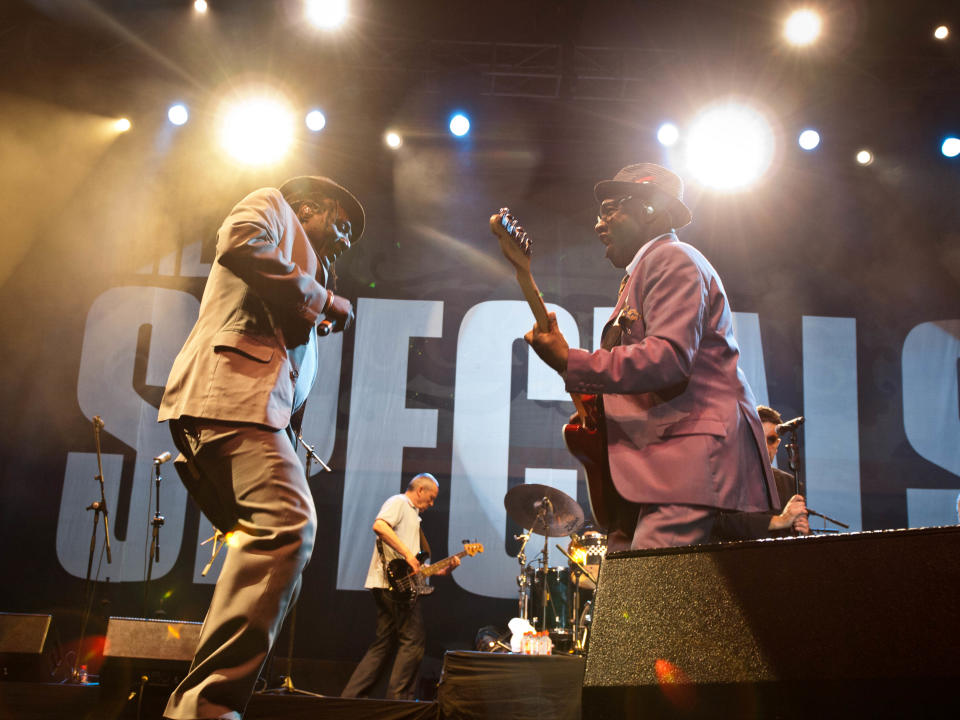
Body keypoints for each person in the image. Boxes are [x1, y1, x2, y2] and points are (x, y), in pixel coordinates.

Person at [157, 175, 364, 720]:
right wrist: (322, 300)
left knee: (279, 557)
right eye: (341, 222)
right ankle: (206, 709)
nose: (345, 238)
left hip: (243, 411)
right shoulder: (271, 205)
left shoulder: (304, 268)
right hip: (227, 401)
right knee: (289, 525)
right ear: (308, 207)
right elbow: (239, 243)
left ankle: (196, 705)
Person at [525, 163, 778, 551]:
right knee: (625, 603)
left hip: (684, 468)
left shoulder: (673, 258)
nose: (599, 224)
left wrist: (569, 361)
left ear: (649, 209)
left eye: (611, 209)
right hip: (656, 470)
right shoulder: (641, 273)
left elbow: (668, 358)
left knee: (647, 602)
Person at [341, 473, 459, 700]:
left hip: (390, 584)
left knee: (383, 642)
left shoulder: (413, 516)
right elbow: (379, 525)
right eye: (431, 497)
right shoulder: (400, 503)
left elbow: (416, 567)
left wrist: (444, 569)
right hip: (393, 586)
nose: (432, 503)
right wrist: (407, 553)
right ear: (420, 491)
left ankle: (350, 697)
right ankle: (398, 701)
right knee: (413, 641)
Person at [712, 405, 810, 540]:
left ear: (778, 444)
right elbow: (722, 522)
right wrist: (781, 520)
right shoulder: (721, 478)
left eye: (771, 440)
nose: (763, 446)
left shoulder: (791, 484)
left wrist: (804, 533)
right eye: (758, 438)